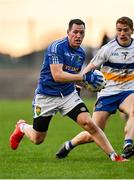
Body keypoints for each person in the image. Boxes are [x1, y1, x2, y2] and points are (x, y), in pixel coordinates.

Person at [9, 19, 127, 162]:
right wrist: (84, 77)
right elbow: (57, 76)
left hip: (68, 95)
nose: (78, 35)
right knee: (37, 138)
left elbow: (74, 77)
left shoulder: (81, 53)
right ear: (68, 33)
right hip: (46, 96)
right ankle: (22, 127)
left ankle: (115, 157)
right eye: (75, 32)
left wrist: (84, 85)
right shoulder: (56, 47)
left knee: (89, 123)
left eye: (81, 33)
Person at [56, 17, 134, 159]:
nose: (122, 33)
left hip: (127, 92)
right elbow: (89, 68)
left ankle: (127, 145)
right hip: (106, 94)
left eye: (125, 30)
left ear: (132, 31)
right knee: (94, 133)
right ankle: (70, 144)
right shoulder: (107, 49)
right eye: (119, 30)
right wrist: (77, 88)